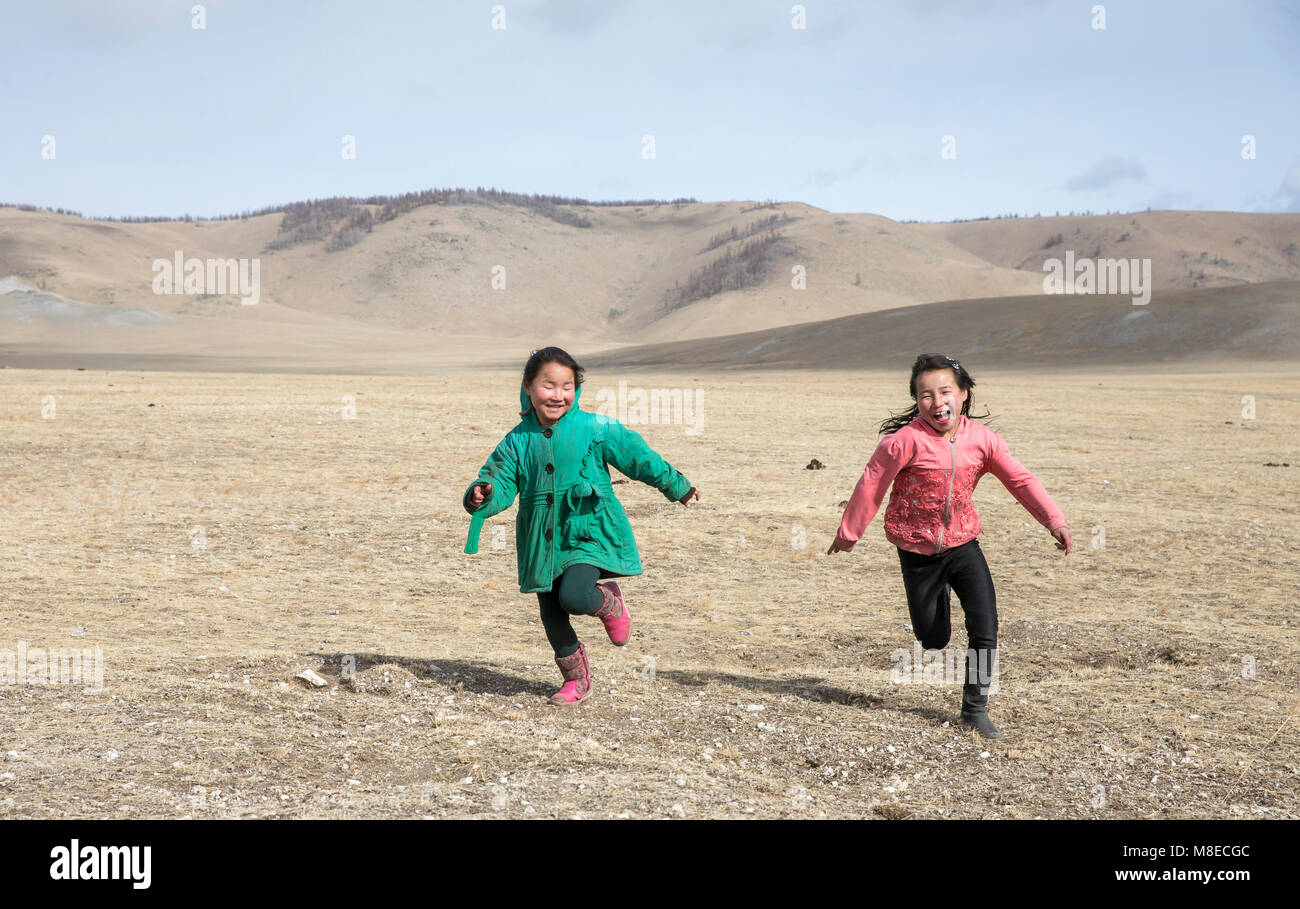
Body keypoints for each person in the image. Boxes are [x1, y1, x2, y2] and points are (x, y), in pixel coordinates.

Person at [827, 353, 1071, 739]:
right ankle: (935, 601)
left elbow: (1020, 481)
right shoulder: (904, 442)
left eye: (945, 391)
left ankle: (975, 708)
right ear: (916, 401)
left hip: (963, 544)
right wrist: (849, 532)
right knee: (934, 638)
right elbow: (872, 483)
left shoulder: (983, 441)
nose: (936, 401)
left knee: (985, 625)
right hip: (917, 549)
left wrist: (1053, 520)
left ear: (964, 394)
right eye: (925, 394)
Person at [462, 347, 699, 705]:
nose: (558, 395)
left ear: (577, 389)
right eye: (548, 386)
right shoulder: (516, 441)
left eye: (567, 386)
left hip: (587, 528)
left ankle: (608, 602)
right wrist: (483, 495)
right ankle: (576, 679)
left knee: (573, 596)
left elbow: (639, 459)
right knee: (551, 612)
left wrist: (676, 484)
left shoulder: (596, 429)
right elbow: (500, 480)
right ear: (528, 388)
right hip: (541, 539)